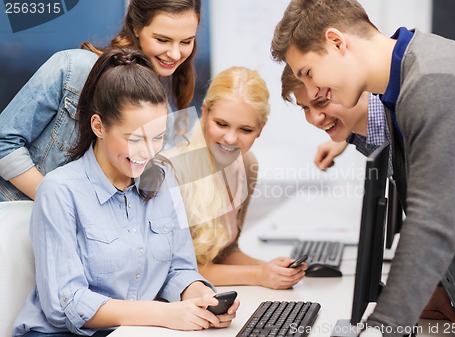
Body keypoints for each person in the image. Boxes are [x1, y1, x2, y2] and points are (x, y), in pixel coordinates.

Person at [271, 0, 455, 336]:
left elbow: (432, 224)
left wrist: (382, 329)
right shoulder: (405, 87)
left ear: (336, 42)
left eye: (307, 73)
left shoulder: (435, 82)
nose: (311, 92)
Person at [12, 47, 239, 337]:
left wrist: (199, 300)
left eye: (157, 137)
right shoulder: (59, 191)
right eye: (134, 139)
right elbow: (66, 302)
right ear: (99, 126)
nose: (147, 152)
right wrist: (165, 314)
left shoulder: (163, 179)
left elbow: (179, 269)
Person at [0, 0, 201, 201]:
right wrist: (59, 203)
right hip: (15, 220)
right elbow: (4, 142)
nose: (175, 53)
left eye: (186, 42)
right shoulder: (74, 69)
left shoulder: (163, 114)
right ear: (136, 27)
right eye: (163, 40)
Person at [162, 66, 307, 290]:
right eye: (221, 124)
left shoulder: (248, 165)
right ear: (205, 112)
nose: (230, 139)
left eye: (245, 130)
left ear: (260, 128)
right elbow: (175, 271)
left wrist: (271, 270)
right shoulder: (172, 171)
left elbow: (225, 253)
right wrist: (258, 274)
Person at [280, 64, 390, 172]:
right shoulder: (364, 130)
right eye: (305, 108)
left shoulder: (399, 122)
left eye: (322, 102)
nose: (315, 119)